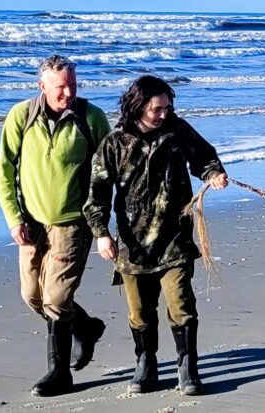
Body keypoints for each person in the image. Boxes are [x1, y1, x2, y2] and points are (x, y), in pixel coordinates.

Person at [85, 75, 229, 395]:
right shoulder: (115, 143)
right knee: (139, 311)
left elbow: (203, 156)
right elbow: (97, 193)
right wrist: (101, 234)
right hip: (132, 243)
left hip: (175, 236)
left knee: (181, 303)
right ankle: (146, 362)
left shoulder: (178, 132)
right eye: (157, 109)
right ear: (138, 106)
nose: (164, 114)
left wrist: (214, 173)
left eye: (167, 107)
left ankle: (187, 367)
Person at [0, 54, 112, 397]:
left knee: (57, 299)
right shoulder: (21, 116)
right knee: (32, 296)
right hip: (31, 224)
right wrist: (14, 218)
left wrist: (102, 225)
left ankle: (59, 373)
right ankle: (86, 327)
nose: (67, 93)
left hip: (73, 224)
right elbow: (4, 171)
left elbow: (107, 173)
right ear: (41, 86)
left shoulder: (91, 118)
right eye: (60, 87)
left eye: (73, 85)